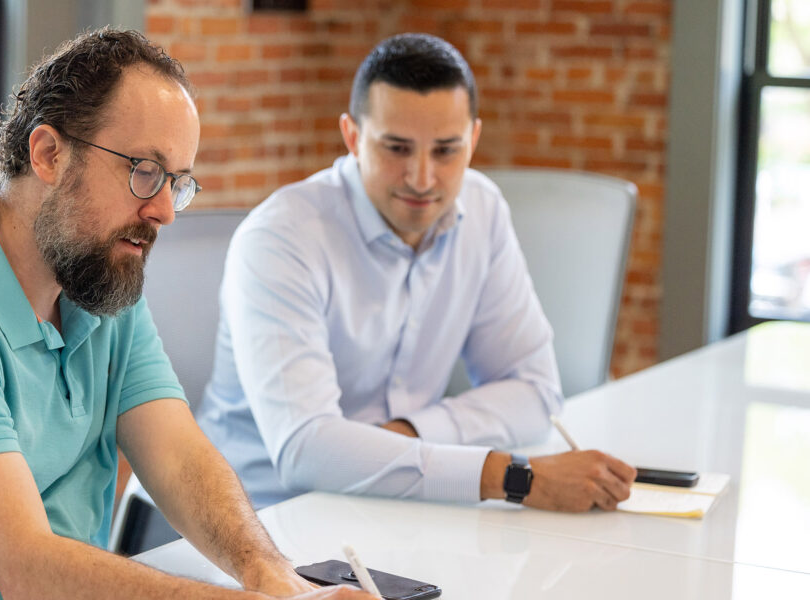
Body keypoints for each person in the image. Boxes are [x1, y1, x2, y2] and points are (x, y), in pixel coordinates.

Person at [0, 29, 370, 600]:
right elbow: (28, 567)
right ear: (49, 154)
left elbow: (177, 456)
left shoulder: (95, 279)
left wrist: (272, 574)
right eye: (145, 171)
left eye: (178, 182)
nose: (166, 211)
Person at [197, 33, 637, 512]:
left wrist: (407, 435)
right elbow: (306, 450)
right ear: (352, 137)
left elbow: (535, 394)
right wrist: (510, 477)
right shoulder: (283, 237)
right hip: (256, 516)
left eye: (446, 151)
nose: (422, 178)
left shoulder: (482, 209)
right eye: (397, 149)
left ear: (473, 140)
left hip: (394, 507)